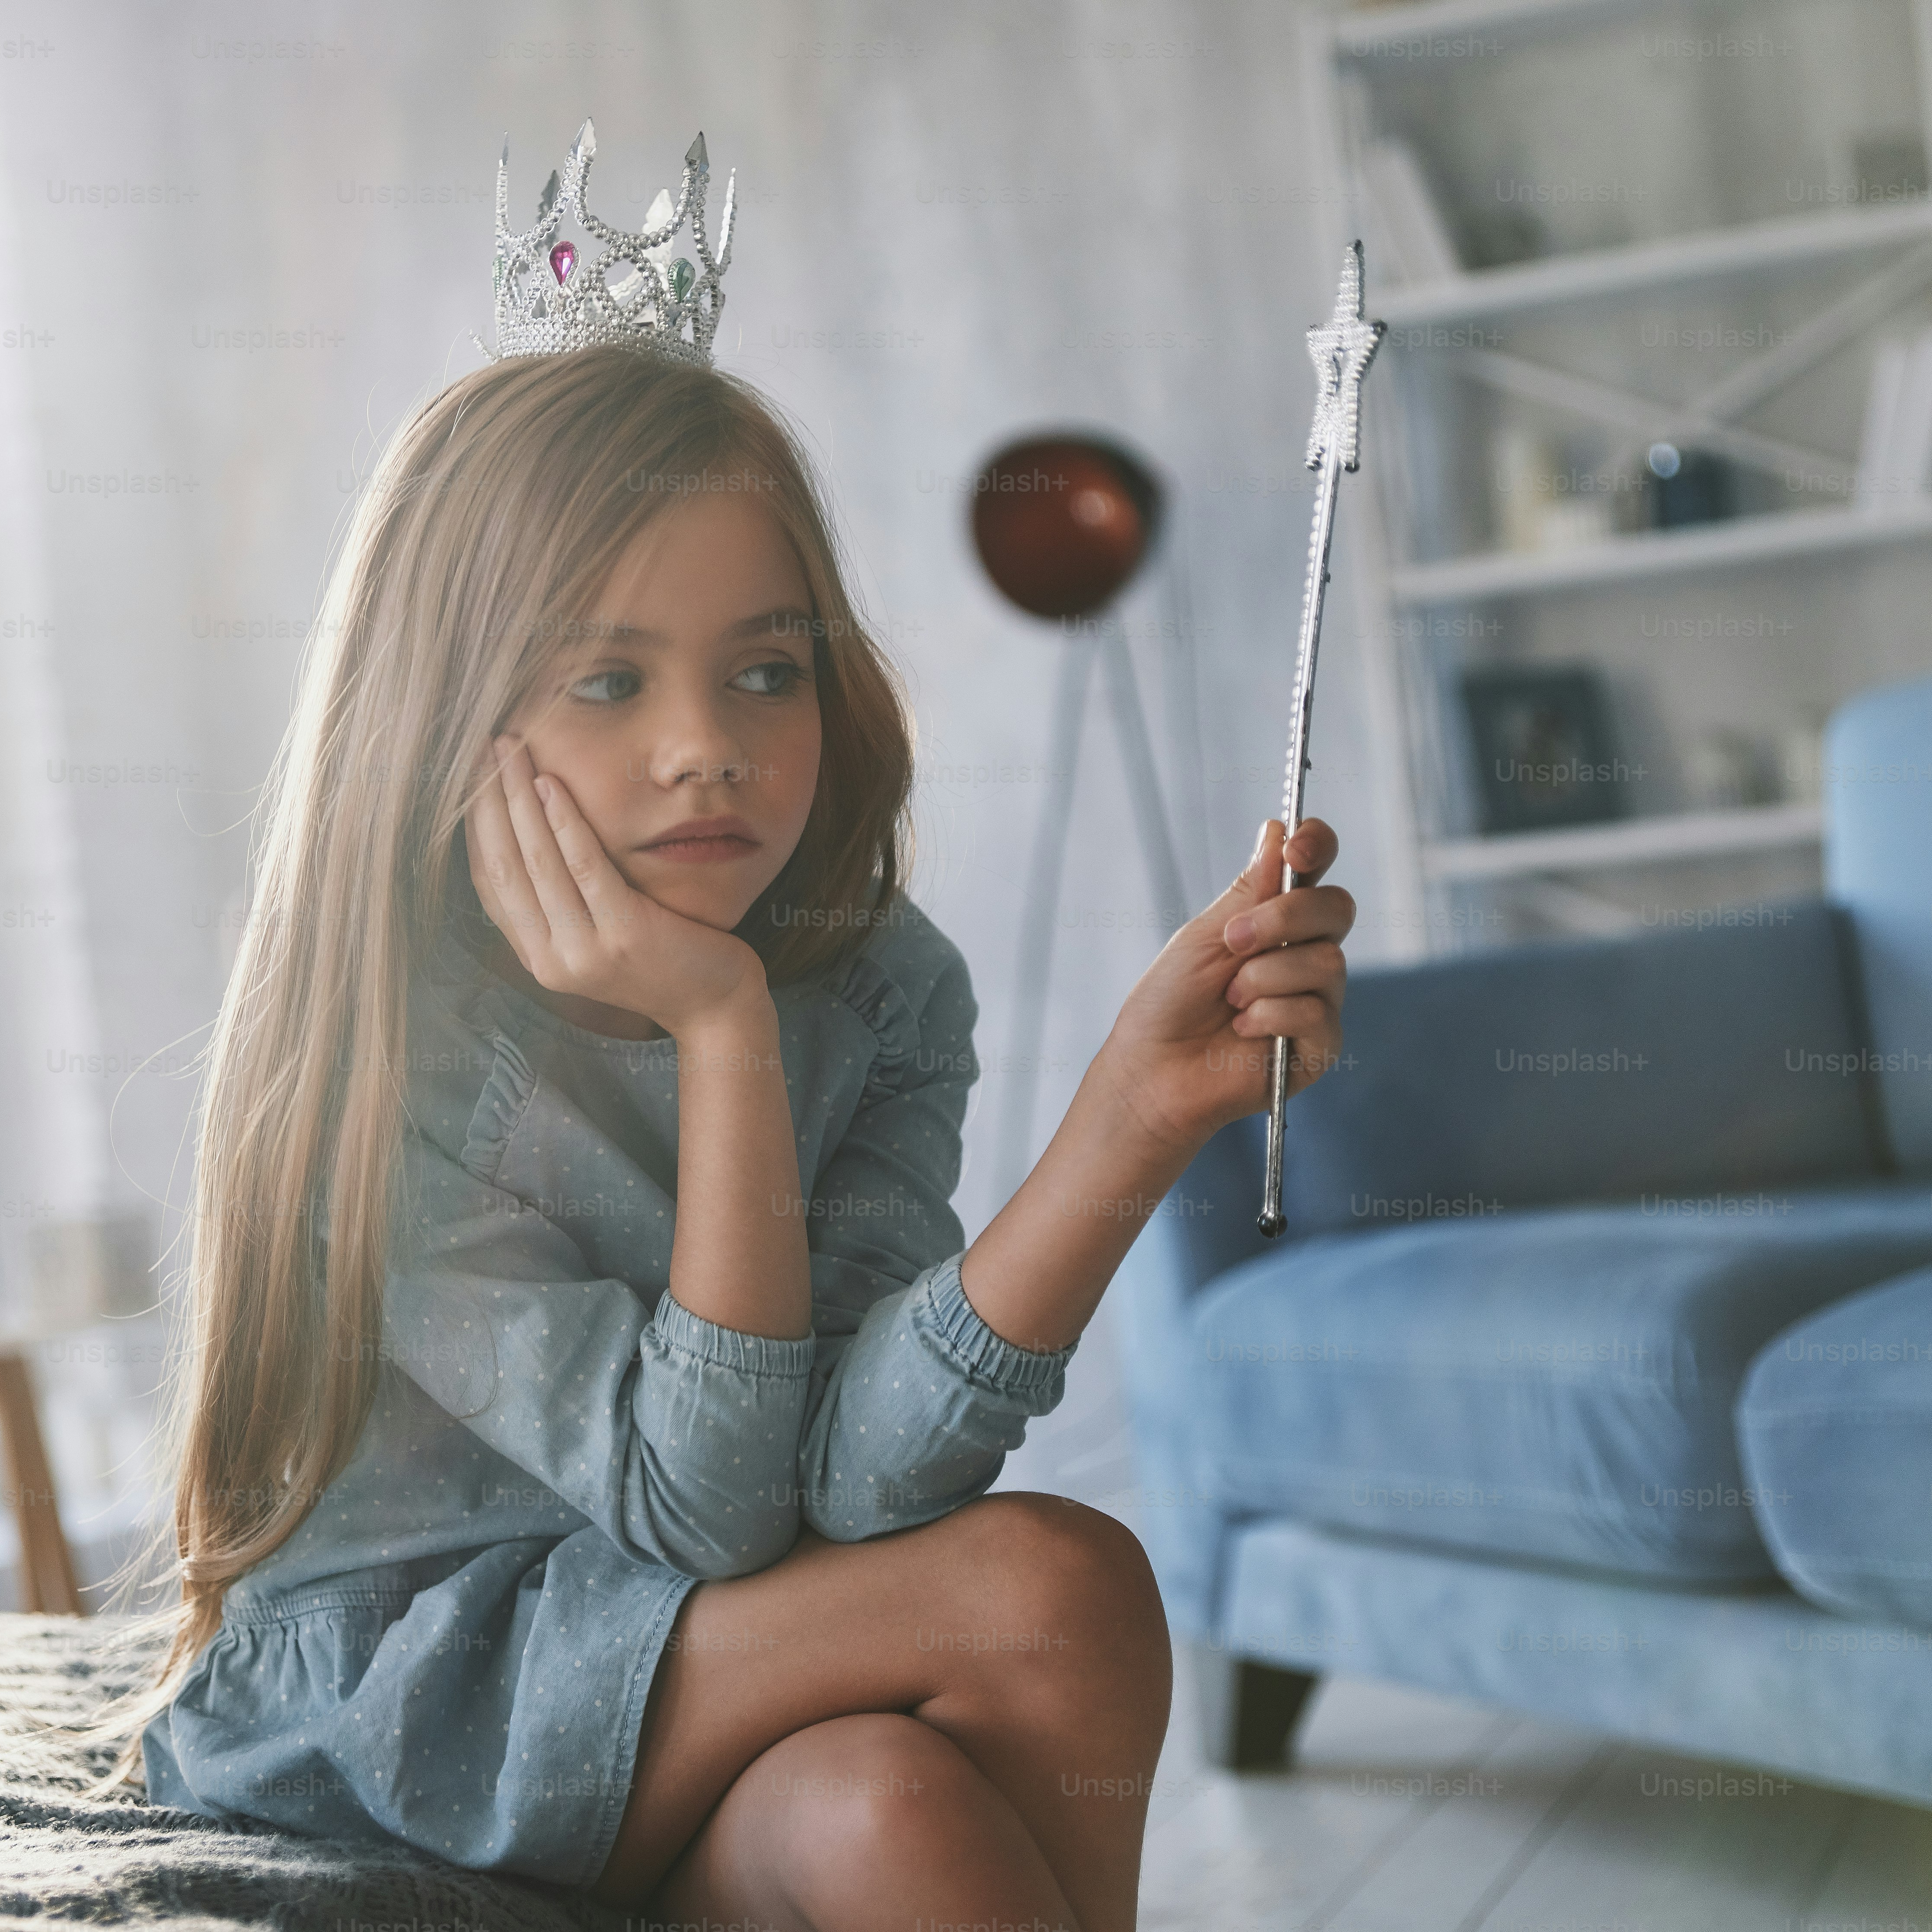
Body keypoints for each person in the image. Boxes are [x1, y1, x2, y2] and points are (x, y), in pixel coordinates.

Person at [101, 134, 1353, 1932]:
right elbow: (709, 1513)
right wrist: (716, 1031)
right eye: (611, 680)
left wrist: (1131, 1128)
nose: (711, 741)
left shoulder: (882, 988)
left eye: (766, 668)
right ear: (446, 715)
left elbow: (843, 1481)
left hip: (703, 1659)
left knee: (883, 1813)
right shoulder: (392, 1063)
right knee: (1054, 1588)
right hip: (425, 1697)